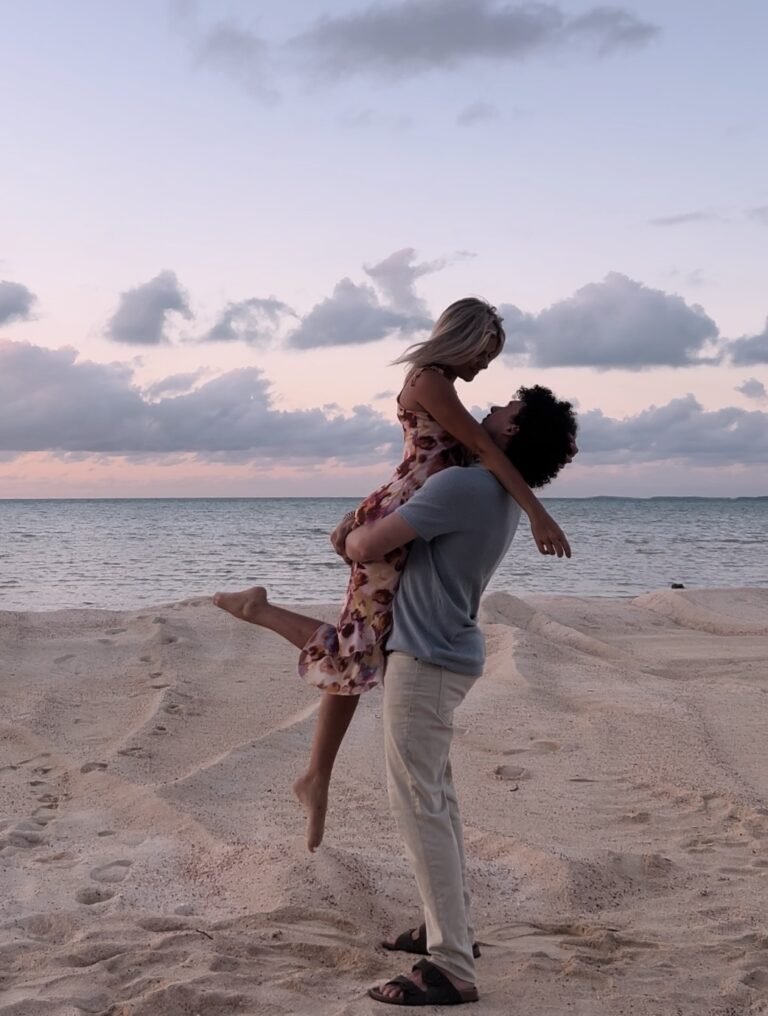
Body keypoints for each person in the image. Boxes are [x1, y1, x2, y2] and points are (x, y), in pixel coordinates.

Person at [214, 389, 578, 1007]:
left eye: (506, 408)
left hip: (426, 662)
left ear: (511, 433)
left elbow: (363, 548)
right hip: (444, 656)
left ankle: (452, 967)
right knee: (436, 801)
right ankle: (448, 929)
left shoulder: (464, 488)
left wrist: (351, 534)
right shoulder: (499, 498)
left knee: (421, 809)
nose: (489, 409)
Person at [220, 298, 571, 852]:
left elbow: (478, 458)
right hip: (400, 518)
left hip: (404, 515)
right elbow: (481, 448)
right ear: (464, 338)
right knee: (355, 652)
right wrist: (537, 512)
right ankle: (261, 621)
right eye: (485, 354)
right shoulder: (432, 380)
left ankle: (316, 776)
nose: (484, 369)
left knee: (358, 652)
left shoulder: (443, 385)